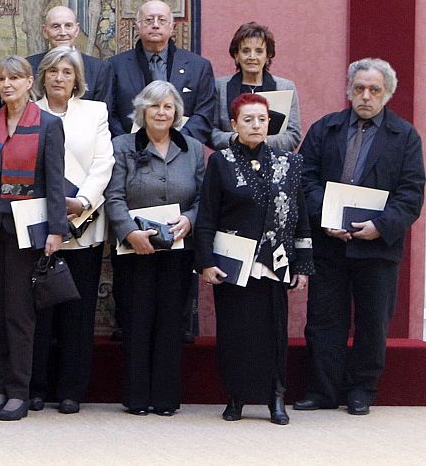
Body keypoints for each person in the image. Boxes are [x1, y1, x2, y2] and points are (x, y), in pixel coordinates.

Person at [296, 58, 425, 416]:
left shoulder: (405, 137)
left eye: (374, 90)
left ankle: (361, 391)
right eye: (359, 89)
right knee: (324, 320)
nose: (366, 96)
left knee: (372, 322)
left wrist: (379, 228)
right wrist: (327, 217)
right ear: (349, 91)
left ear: (388, 94)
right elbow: (304, 178)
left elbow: (411, 193)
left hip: (378, 248)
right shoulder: (326, 129)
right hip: (329, 243)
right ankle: (322, 391)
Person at [196, 93, 312, 424]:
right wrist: (205, 262)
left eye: (261, 119)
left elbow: (300, 216)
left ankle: (276, 397)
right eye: (248, 120)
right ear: (234, 125)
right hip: (233, 265)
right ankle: (236, 397)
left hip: (274, 262)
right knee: (235, 334)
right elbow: (207, 215)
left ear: (270, 124)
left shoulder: (289, 163)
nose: (256, 125)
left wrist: (302, 265)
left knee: (273, 333)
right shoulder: (220, 162)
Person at [0, 55, 69, 421]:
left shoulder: (48, 125)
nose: (7, 85)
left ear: (29, 83)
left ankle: (19, 392)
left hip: (28, 232)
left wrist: (56, 229)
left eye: (15, 78)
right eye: (2, 79)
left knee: (20, 314)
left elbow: (55, 181)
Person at [105, 80, 204, 416]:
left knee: (170, 322)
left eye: (168, 106)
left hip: (178, 250)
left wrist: (190, 220)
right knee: (136, 320)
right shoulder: (122, 146)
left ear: (176, 111)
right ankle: (136, 398)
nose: (161, 112)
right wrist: (129, 232)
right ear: (142, 110)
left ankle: (165, 398)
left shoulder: (193, 148)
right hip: (134, 250)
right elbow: (113, 195)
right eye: (154, 106)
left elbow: (205, 198)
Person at [28, 47, 113, 414]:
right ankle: (35, 387)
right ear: (42, 77)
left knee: (77, 314)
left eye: (67, 72)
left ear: (77, 79)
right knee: (39, 313)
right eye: (53, 71)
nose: (60, 77)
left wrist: (83, 201)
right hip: (40, 225)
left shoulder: (95, 111)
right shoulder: (29, 113)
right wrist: (53, 205)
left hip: (85, 224)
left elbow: (103, 162)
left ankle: (70, 390)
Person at [106, 0, 216, 144]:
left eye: (162, 20)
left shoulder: (198, 67)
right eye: (149, 20)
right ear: (137, 26)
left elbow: (204, 114)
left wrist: (176, 141)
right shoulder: (115, 66)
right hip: (131, 153)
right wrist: (128, 143)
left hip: (182, 150)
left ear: (172, 27)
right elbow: (109, 113)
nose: (155, 25)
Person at [211, 22, 301, 152]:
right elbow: (211, 132)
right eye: (246, 51)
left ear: (268, 55)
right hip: (230, 165)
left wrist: (261, 141)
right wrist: (235, 139)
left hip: (272, 165)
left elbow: (294, 135)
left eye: (259, 51)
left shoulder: (285, 87)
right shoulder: (220, 87)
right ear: (236, 55)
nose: (252, 57)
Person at [26, 5, 109, 103]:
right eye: (56, 26)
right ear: (45, 31)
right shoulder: (28, 66)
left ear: (77, 30)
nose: (63, 32)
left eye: (68, 26)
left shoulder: (98, 68)